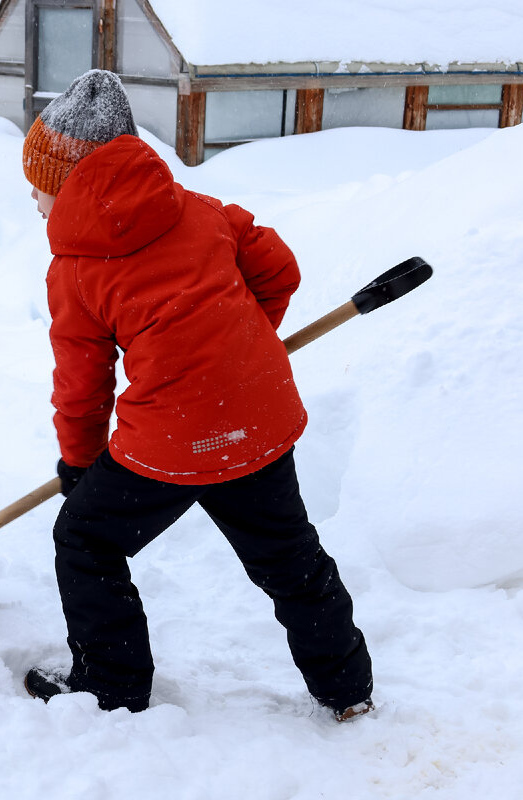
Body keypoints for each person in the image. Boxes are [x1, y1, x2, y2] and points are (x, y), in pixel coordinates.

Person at [20, 70, 373, 722]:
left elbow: (83, 385)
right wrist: (236, 353)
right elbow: (279, 271)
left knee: (86, 541)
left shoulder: (75, 269)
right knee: (292, 561)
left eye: (37, 188)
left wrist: (79, 464)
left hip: (170, 441)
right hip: (260, 421)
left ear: (67, 183)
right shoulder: (203, 212)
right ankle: (349, 694)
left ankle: (113, 690)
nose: (35, 203)